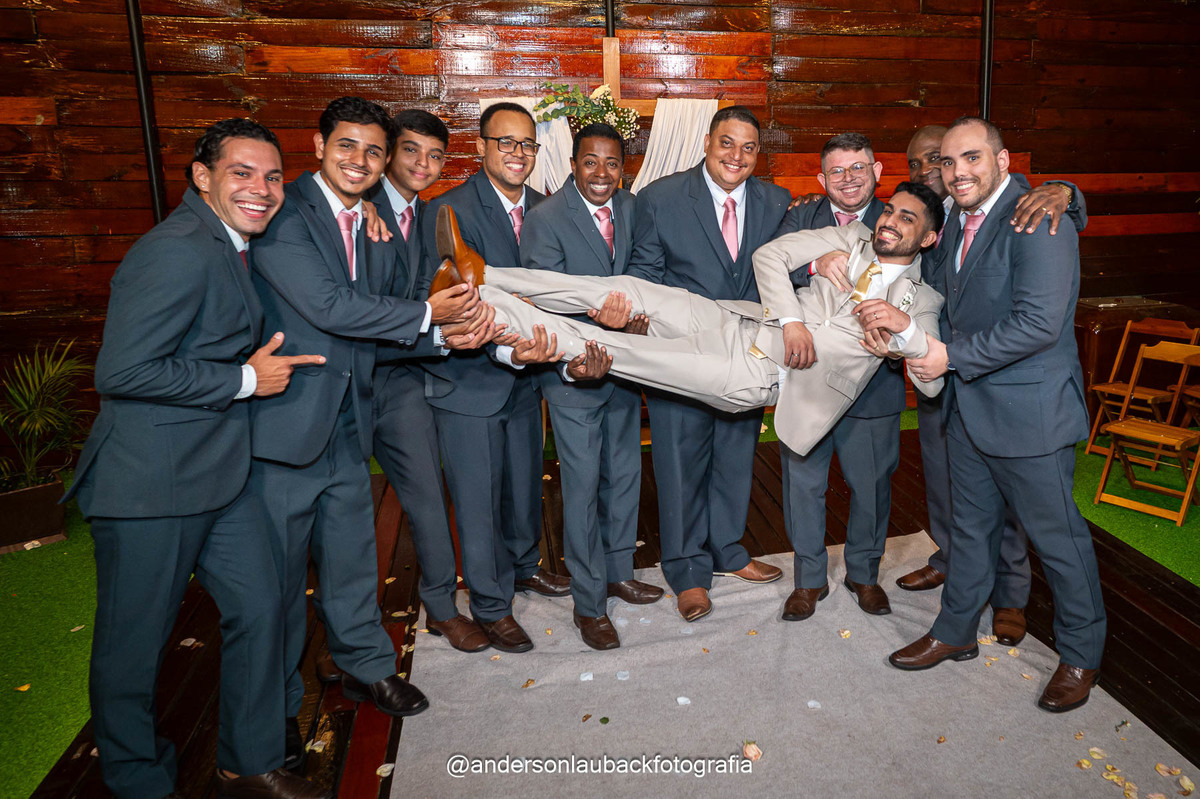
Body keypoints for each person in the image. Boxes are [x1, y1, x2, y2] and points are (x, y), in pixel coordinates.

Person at [65, 119, 328, 799]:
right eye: (242, 172)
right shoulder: (176, 250)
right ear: (202, 176)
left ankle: (248, 762)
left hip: (219, 475)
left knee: (262, 607)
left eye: (273, 176)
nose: (262, 189)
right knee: (134, 647)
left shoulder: (230, 242)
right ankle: (138, 781)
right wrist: (244, 380)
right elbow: (122, 370)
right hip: (150, 484)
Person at [435, 182, 947, 485]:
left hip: (758, 373)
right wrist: (791, 319)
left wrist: (905, 336)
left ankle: (490, 312)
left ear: (927, 237)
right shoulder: (850, 235)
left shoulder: (923, 301)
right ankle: (484, 274)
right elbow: (770, 256)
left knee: (618, 349)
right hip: (738, 320)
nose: (889, 220)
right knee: (628, 288)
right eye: (889, 209)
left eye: (907, 218)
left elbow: (932, 383)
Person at [250, 97, 484, 747]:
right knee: (276, 580)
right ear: (318, 146)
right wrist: (433, 319)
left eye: (372, 150)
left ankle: (366, 665)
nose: (360, 160)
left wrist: (445, 337)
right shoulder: (283, 212)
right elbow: (332, 307)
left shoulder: (371, 219)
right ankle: (274, 712)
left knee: (351, 553)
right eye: (347, 146)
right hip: (290, 414)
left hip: (353, 408)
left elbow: (382, 306)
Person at [891, 117, 1106, 714]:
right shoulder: (956, 217)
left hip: (1031, 416)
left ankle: (1082, 655)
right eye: (949, 161)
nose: (958, 171)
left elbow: (1039, 324)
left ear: (1003, 160)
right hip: (970, 410)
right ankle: (955, 630)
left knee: (1059, 542)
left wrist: (949, 357)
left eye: (972, 158)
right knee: (969, 531)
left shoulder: (1040, 217)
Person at [624, 106, 792, 623]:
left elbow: (787, 267)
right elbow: (646, 273)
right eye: (727, 143)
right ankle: (687, 571)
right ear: (706, 142)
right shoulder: (660, 197)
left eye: (748, 147)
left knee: (736, 458)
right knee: (680, 464)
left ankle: (728, 551)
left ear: (758, 154)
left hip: (747, 357)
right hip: (684, 355)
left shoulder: (776, 201)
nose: (736, 156)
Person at [419, 102, 567, 654]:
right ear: (480, 146)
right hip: (468, 382)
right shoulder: (449, 211)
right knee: (478, 500)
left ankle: (524, 566)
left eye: (527, 143)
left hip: (528, 378)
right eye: (505, 142)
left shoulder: (548, 210)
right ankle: (490, 604)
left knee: (524, 486)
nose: (517, 153)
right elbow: (442, 301)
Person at [518, 122, 662, 651]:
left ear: (624, 168)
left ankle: (619, 572)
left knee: (624, 475)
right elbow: (545, 296)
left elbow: (648, 264)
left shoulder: (632, 207)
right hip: (574, 372)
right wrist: (598, 324)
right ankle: (588, 603)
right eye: (591, 161)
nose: (602, 173)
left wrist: (634, 316)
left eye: (612, 163)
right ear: (573, 164)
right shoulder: (546, 218)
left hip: (625, 368)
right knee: (580, 489)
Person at [366, 109, 491, 654]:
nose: (423, 163)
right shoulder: (355, 207)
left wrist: (449, 334)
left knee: (427, 499)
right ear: (389, 152)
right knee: (342, 519)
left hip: (399, 378)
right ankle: (347, 636)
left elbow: (427, 298)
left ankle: (441, 608)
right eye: (411, 150)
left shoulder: (431, 216)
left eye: (435, 155)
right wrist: (435, 331)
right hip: (335, 383)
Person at [772, 132, 906, 620]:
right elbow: (770, 270)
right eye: (837, 171)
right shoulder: (800, 216)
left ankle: (864, 574)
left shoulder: (901, 217)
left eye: (858, 168)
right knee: (803, 483)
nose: (848, 179)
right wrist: (813, 262)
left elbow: (920, 285)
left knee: (871, 485)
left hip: (873, 382)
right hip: (808, 375)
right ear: (821, 178)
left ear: (877, 171)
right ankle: (809, 580)